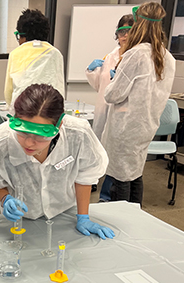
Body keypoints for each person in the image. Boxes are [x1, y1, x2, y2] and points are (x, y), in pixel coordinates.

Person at [0, 83, 115, 240]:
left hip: (64, 214)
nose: (29, 143)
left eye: (40, 136)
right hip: (20, 221)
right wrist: (5, 198)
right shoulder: (0, 143)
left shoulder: (77, 135)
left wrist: (83, 217)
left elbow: (85, 175)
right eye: (22, 133)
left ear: (59, 125)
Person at [101, 2, 176, 205]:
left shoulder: (136, 54)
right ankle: (136, 217)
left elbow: (113, 95)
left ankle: (122, 220)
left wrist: (113, 80)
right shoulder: (168, 57)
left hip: (126, 127)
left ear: (138, 25)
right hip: (147, 126)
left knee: (121, 177)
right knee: (135, 173)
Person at [85, 14, 134, 202]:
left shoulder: (136, 58)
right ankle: (100, 187)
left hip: (123, 115)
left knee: (116, 160)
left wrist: (119, 79)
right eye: (121, 31)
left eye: (129, 31)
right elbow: (100, 85)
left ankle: (108, 197)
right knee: (100, 150)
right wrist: (92, 71)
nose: (125, 35)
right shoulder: (110, 56)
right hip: (104, 110)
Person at [4, 9, 65, 110]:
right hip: (49, 112)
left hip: (22, 112)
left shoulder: (16, 53)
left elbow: (8, 92)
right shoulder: (56, 54)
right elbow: (60, 87)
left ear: (22, 35)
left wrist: (10, 107)